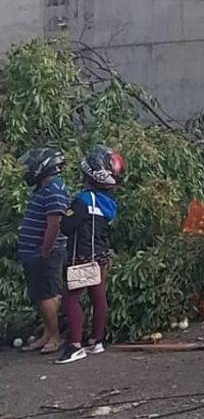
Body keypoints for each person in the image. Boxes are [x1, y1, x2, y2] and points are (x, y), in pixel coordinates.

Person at [56, 146, 124, 364]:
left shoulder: (83, 200)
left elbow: (66, 227)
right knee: (99, 297)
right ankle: (96, 341)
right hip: (101, 255)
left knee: (72, 299)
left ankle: (75, 345)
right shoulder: (110, 203)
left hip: (81, 256)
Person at [16, 147, 70, 354]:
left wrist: (45, 251)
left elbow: (54, 225)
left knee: (47, 294)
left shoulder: (55, 190)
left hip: (46, 253)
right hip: (35, 252)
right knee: (41, 294)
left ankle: (54, 337)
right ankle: (47, 334)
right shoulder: (44, 188)